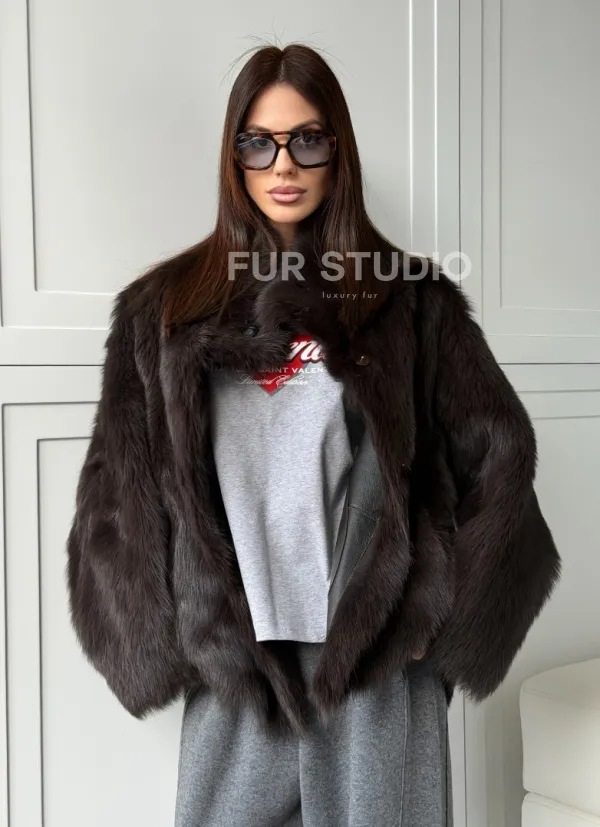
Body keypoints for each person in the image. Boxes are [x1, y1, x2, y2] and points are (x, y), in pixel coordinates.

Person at [65, 43, 562, 827]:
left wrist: (434, 621)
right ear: (233, 155)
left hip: (375, 669)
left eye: (308, 139)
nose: (284, 164)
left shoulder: (408, 301)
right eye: (258, 142)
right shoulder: (162, 310)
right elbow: (115, 493)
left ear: (339, 150)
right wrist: (164, 642)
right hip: (238, 673)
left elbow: (502, 455)